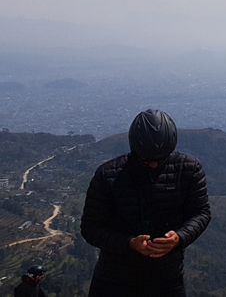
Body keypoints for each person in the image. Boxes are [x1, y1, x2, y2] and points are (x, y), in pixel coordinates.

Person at [81, 109, 211, 297]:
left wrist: (180, 237)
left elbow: (201, 213)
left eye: (161, 159)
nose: (154, 165)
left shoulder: (189, 170)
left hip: (166, 278)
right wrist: (129, 244)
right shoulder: (108, 176)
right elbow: (90, 227)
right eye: (146, 160)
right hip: (114, 278)